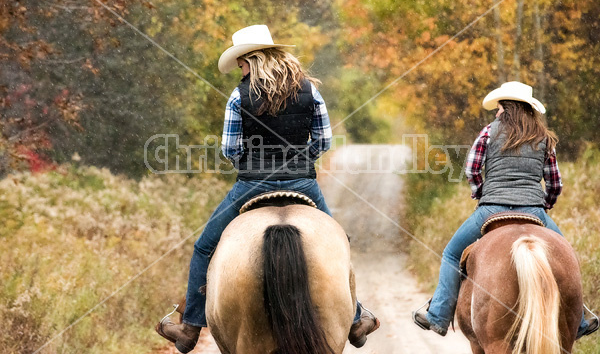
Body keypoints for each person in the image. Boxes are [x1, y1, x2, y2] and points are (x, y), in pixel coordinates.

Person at [155, 25, 379, 353]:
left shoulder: (239, 95)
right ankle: (357, 320)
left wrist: (251, 164)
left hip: (251, 185)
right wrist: (302, 159)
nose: (241, 70)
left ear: (253, 59)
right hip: (303, 182)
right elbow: (324, 140)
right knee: (339, 242)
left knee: (204, 246)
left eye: (241, 64)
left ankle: (190, 327)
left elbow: (230, 149)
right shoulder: (309, 90)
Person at [412, 81, 599, 338]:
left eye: (499, 106)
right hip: (534, 211)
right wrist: (545, 204)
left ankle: (439, 315)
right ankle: (578, 321)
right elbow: (555, 183)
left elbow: (471, 170)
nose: (497, 111)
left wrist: (481, 193)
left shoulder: (489, 132)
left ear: (507, 107)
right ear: (528, 108)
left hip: (491, 210)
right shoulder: (544, 138)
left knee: (452, 255)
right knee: (567, 257)